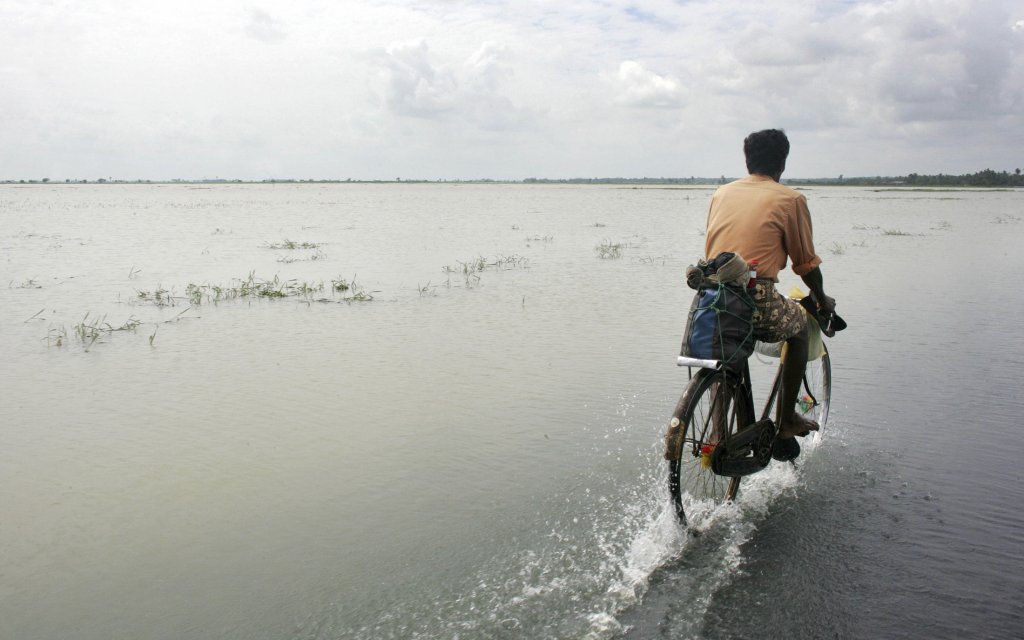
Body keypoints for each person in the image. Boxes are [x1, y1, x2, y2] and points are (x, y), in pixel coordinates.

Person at [704, 129, 835, 453]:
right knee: (800, 328)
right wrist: (820, 299)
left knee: (725, 357)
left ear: (747, 160)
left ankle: (719, 433)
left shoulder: (721, 194)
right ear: (782, 163)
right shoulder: (790, 200)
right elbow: (805, 264)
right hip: (756, 295)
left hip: (711, 296)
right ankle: (787, 419)